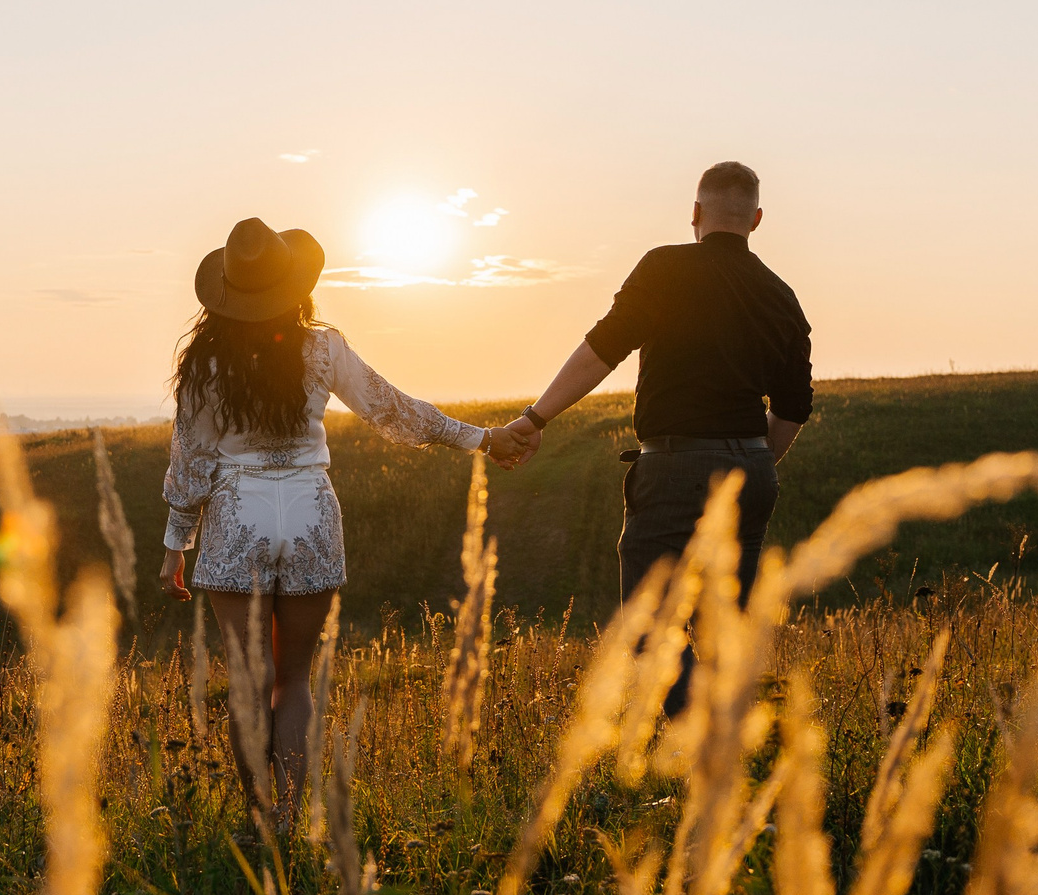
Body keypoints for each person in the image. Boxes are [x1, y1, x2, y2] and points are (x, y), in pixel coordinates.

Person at [161, 216, 503, 823]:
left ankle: (262, 822)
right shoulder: (322, 347)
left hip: (238, 512)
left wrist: (175, 544)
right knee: (294, 680)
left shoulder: (205, 365)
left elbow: (191, 464)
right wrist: (480, 438)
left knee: (248, 683)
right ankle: (292, 821)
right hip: (311, 510)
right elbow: (392, 409)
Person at [491, 161, 812, 705]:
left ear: (695, 213)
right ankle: (734, 749)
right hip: (754, 471)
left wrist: (536, 418)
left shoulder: (665, 268)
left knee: (649, 628)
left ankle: (698, 751)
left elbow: (603, 350)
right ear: (756, 219)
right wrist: (753, 460)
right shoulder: (782, 296)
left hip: (674, 470)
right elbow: (793, 408)